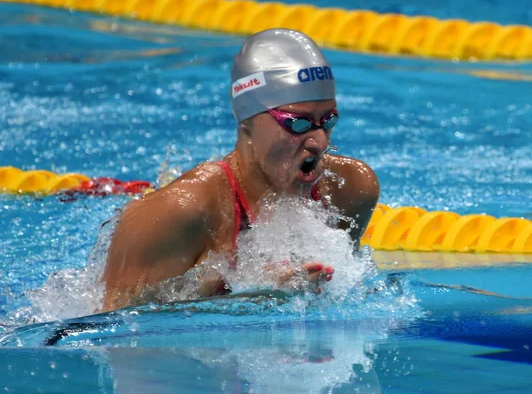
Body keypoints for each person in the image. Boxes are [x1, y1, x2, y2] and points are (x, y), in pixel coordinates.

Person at [101, 28, 380, 312]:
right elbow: (117, 336)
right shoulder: (176, 215)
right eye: (298, 124)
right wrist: (250, 301)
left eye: (328, 121)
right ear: (247, 120)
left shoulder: (350, 188)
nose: (319, 142)